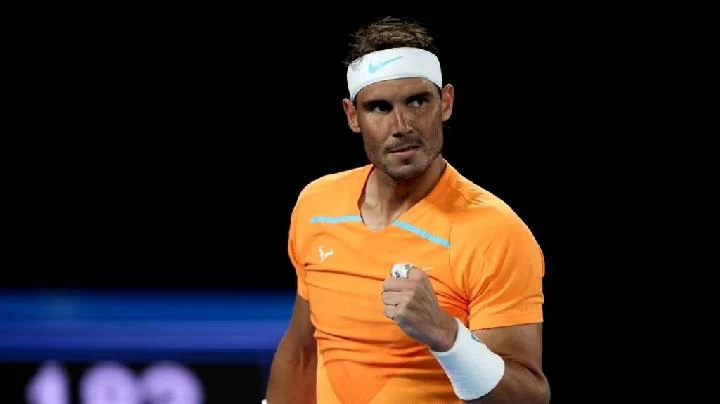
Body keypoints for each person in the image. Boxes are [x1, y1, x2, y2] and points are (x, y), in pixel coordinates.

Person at [264, 16, 549, 404]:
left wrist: (446, 336)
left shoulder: (493, 231)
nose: (401, 125)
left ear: (445, 103)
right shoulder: (317, 205)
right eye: (379, 107)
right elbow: (302, 353)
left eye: (417, 101)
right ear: (353, 116)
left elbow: (529, 396)